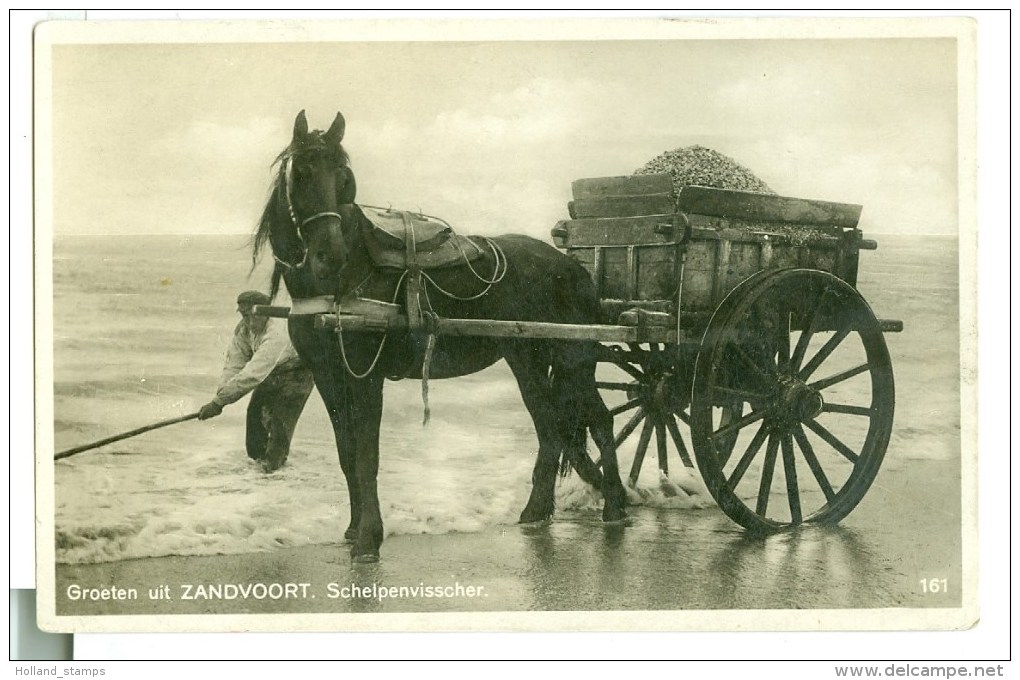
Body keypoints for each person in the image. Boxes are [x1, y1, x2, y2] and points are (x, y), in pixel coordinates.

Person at [198, 291, 314, 472]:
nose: (250, 323)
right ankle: (258, 473)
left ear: (266, 314)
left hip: (298, 372)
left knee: (280, 423)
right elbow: (234, 364)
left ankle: (275, 472)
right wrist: (220, 396)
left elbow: (253, 374)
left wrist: (219, 403)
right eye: (245, 316)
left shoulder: (278, 333)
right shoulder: (243, 330)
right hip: (271, 372)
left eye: (254, 317)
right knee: (254, 415)